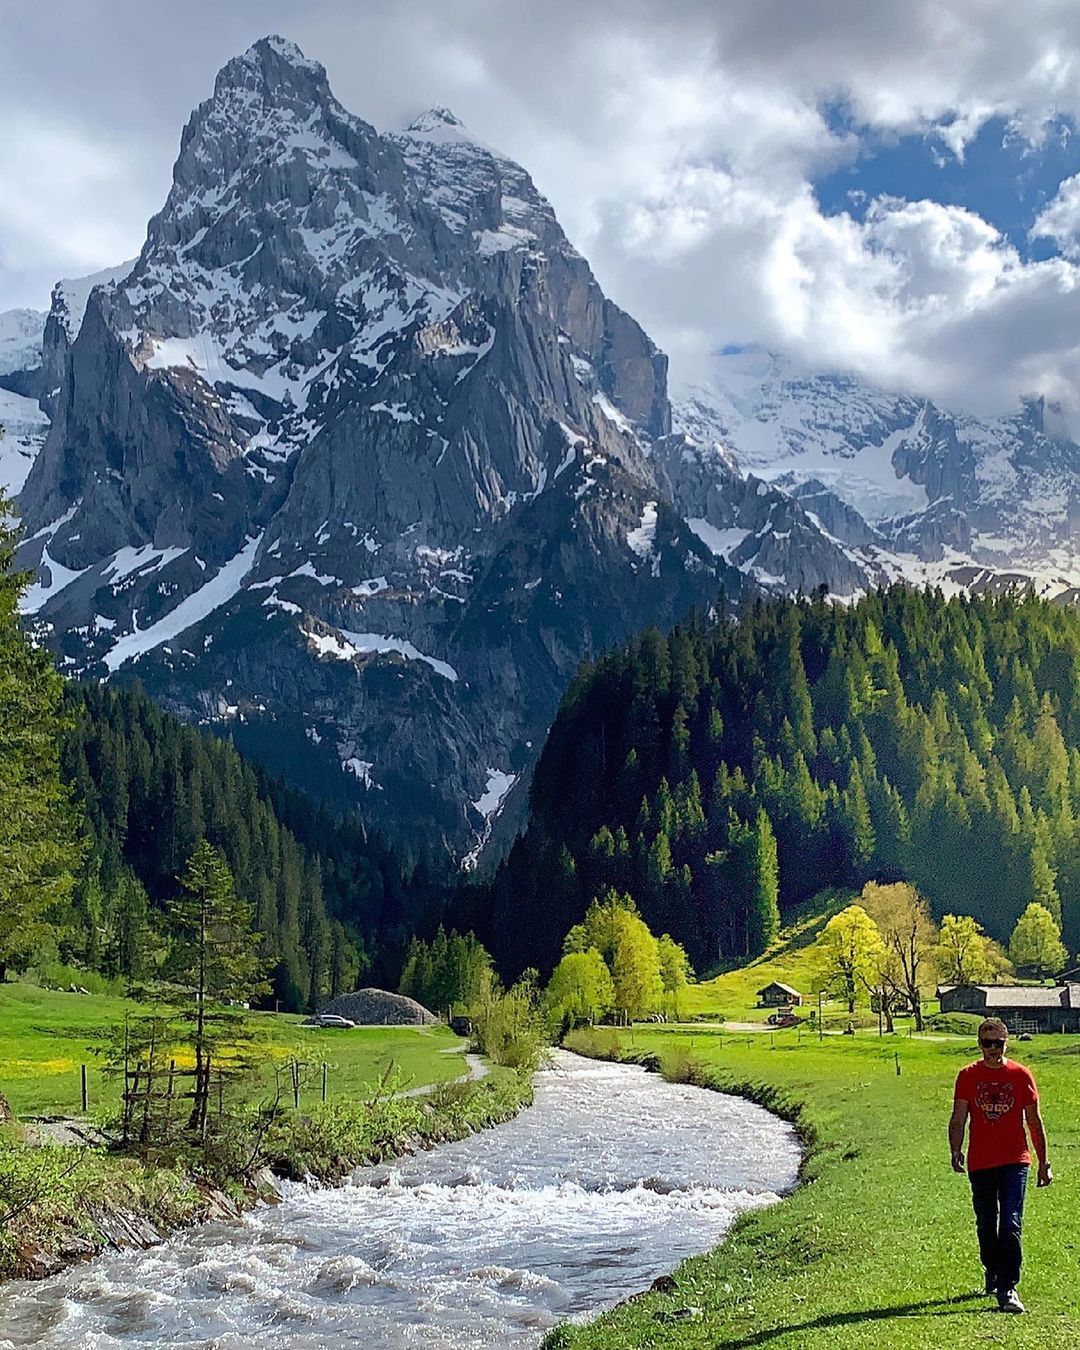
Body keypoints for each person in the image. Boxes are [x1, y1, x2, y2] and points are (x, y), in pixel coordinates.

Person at [948, 1017, 1052, 1314]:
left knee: (1010, 1222)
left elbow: (1034, 1121)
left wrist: (1044, 1162)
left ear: (1006, 1043)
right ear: (979, 1044)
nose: (991, 1049)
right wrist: (955, 1149)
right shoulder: (967, 1075)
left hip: (1014, 1160)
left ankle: (1008, 1287)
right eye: (986, 1043)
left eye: (997, 1043)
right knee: (986, 1223)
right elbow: (959, 1118)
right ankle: (992, 1269)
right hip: (980, 1161)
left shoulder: (1021, 1075)